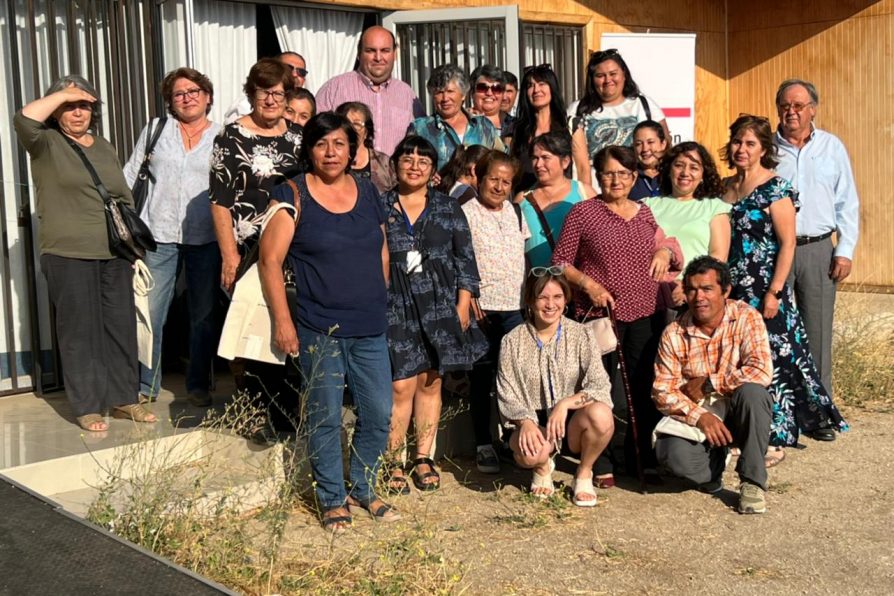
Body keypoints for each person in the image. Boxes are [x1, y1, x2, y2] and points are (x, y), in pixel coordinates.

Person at [262, 112, 396, 532]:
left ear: (352, 149)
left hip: (370, 324)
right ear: (309, 150)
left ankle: (362, 486)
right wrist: (283, 323)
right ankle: (332, 498)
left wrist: (381, 291)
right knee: (325, 415)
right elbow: (269, 261)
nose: (331, 152)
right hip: (320, 326)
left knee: (378, 414)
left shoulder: (367, 189)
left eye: (340, 143)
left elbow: (382, 246)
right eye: (322, 144)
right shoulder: (292, 193)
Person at [14, 75, 157, 431]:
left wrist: (134, 247)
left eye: (84, 105)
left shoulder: (103, 145)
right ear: (56, 109)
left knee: (120, 327)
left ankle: (124, 398)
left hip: (115, 252)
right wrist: (65, 91)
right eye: (68, 106)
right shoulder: (45, 142)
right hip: (67, 251)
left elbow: (122, 195)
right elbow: (23, 119)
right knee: (80, 330)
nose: (77, 112)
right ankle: (88, 405)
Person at [552, 145, 682, 484]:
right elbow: (560, 262)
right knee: (601, 389)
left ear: (634, 177)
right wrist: (588, 284)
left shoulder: (643, 213)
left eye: (624, 173)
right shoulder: (583, 212)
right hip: (600, 315)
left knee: (642, 387)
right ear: (597, 174)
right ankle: (601, 459)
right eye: (608, 173)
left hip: (645, 312)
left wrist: (666, 251)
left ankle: (641, 457)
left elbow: (663, 246)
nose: (616, 179)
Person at [722, 114, 847, 463]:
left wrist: (775, 292)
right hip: (731, 288)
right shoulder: (725, 188)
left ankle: (775, 435)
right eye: (737, 142)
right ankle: (743, 428)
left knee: (774, 357)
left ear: (764, 149)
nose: (741, 149)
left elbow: (788, 243)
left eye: (750, 144)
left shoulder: (776, 187)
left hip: (764, 287)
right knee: (737, 356)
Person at [382, 136, 487, 494]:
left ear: (433, 170)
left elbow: (465, 258)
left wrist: (462, 304)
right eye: (407, 158)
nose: (414, 165)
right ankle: (393, 460)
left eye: (423, 161)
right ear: (395, 164)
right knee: (400, 384)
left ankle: (423, 457)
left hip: (441, 303)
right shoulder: (379, 207)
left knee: (431, 381)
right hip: (394, 302)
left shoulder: (448, 207)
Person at [209, 58, 303, 438]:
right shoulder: (229, 137)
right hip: (247, 248)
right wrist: (229, 253)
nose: (270, 100)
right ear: (252, 93)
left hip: (290, 249)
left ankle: (289, 413)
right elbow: (218, 200)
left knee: (287, 325)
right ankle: (258, 410)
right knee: (253, 330)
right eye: (264, 92)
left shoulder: (298, 137)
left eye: (278, 93)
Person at [123, 67, 222, 408]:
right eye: (179, 93)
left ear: (207, 96)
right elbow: (130, 174)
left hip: (206, 237)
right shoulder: (156, 130)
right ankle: (146, 385)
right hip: (158, 234)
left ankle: (197, 385)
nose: (187, 97)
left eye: (194, 91)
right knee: (151, 311)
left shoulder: (222, 136)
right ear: (170, 101)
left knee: (203, 314)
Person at [652, 256, 774, 514]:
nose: (699, 297)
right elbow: (662, 391)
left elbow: (761, 370)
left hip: (737, 409)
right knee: (672, 457)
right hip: (699, 416)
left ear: (725, 291)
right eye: (692, 290)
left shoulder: (745, 317)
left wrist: (710, 383)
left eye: (707, 289)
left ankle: (752, 481)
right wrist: (701, 417)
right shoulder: (674, 333)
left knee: (754, 393)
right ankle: (716, 464)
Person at [774, 79, 860, 418]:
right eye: (785, 105)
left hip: (818, 248)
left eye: (798, 105)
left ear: (813, 109)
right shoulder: (767, 150)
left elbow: (847, 201)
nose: (791, 111)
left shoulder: (831, 147)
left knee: (817, 333)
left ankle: (820, 410)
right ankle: (781, 409)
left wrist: (845, 249)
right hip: (776, 251)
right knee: (776, 328)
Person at [497, 270, 614, 506]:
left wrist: (565, 404)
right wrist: (525, 422)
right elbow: (506, 391)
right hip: (531, 420)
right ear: (530, 300)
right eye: (543, 297)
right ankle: (542, 468)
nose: (551, 305)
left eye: (557, 297)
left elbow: (600, 384)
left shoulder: (581, 335)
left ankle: (583, 473)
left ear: (566, 299)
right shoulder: (512, 340)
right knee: (531, 453)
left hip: (571, 423)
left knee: (602, 415)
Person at [462, 152, 530, 473]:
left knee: (516, 375)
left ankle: (514, 438)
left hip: (515, 307)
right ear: (479, 177)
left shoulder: (517, 212)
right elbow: (458, 260)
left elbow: (523, 258)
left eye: (506, 181)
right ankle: (483, 443)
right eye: (494, 179)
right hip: (482, 308)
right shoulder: (465, 213)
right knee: (482, 376)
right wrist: (467, 296)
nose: (500, 186)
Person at [643, 141, 730, 308]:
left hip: (691, 298)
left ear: (703, 174)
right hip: (649, 294)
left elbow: (718, 257)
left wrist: (687, 286)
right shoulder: (647, 205)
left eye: (694, 167)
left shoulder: (714, 207)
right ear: (669, 169)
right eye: (679, 165)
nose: (685, 173)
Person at [316, 26, 424, 156]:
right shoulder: (334, 88)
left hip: (392, 175)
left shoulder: (407, 94)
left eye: (385, 51)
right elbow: (316, 136)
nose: (378, 58)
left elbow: (422, 139)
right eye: (370, 51)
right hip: (347, 175)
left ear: (394, 54)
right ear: (358, 54)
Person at [569, 49, 669, 187]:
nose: (607, 80)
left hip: (638, 191)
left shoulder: (643, 104)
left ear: (624, 75)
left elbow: (666, 146)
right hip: (594, 191)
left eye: (613, 74)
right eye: (600, 75)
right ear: (592, 80)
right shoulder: (577, 109)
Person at [515, 131, 597, 269]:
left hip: (574, 282)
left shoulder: (585, 193)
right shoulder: (522, 199)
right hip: (537, 283)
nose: (538, 164)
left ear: (565, 161)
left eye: (545, 157)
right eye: (535, 158)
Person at [406, 64, 505, 172]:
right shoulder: (420, 128)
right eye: (439, 92)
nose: (445, 98)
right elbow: (407, 163)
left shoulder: (483, 126)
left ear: (463, 94)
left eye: (450, 91)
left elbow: (502, 160)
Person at [508, 64, 572, 192]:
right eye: (530, 86)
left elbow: (582, 169)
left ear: (552, 88)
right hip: (527, 202)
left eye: (542, 84)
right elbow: (510, 170)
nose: (536, 90)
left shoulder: (570, 125)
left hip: (564, 200)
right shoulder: (515, 129)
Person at [224, 51, 307, 123]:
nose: (295, 74)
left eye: (301, 72)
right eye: (289, 68)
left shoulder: (306, 105)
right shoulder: (244, 106)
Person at [335, 101, 396, 193]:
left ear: (367, 132)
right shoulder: (331, 159)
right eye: (346, 123)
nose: (351, 129)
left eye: (356, 124)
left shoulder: (385, 163)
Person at [469, 64, 514, 137]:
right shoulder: (463, 124)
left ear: (502, 94)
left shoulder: (517, 127)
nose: (489, 93)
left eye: (496, 88)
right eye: (482, 87)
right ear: (472, 92)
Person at [629, 120, 669, 200]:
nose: (645, 149)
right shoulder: (628, 176)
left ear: (663, 144)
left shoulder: (672, 173)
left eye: (650, 142)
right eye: (638, 144)